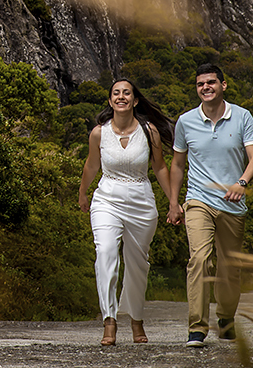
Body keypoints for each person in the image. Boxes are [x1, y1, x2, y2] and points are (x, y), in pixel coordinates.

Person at [167, 63, 253, 348]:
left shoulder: (243, 117)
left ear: (223, 85)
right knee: (199, 258)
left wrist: (241, 183)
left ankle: (226, 318)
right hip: (199, 200)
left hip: (233, 202)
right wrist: (174, 202)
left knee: (229, 267)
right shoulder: (185, 121)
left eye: (211, 82)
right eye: (200, 84)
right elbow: (177, 164)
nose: (205, 88)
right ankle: (196, 328)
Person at [78, 79, 177, 346]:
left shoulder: (150, 132)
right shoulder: (99, 133)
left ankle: (136, 319)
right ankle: (109, 321)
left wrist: (173, 202)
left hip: (141, 202)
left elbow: (160, 168)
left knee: (137, 265)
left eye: (127, 93)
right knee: (106, 253)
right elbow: (91, 165)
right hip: (106, 199)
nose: (121, 97)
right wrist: (83, 192)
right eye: (116, 93)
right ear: (110, 102)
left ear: (134, 101)